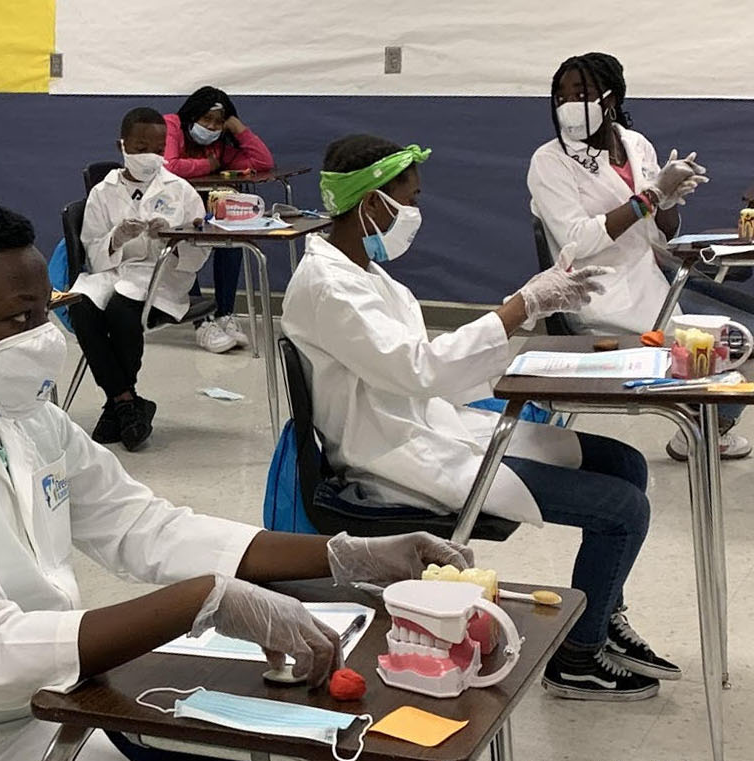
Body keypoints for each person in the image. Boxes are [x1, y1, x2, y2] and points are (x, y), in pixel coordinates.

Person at [0, 195, 469, 761]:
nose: (46, 334)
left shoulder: (19, 414)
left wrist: (347, 556)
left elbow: (146, 526)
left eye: (48, 309)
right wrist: (202, 601)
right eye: (21, 319)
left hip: (59, 709)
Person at [285, 133, 679, 702]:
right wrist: (523, 306)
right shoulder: (329, 287)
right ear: (372, 202)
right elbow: (418, 369)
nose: (416, 212)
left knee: (622, 462)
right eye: (410, 199)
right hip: (394, 455)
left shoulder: (364, 272)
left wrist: (525, 317)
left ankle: (601, 609)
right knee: (623, 509)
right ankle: (576, 658)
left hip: (434, 427)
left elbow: (425, 369)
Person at [527, 52, 748, 461]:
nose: (569, 104)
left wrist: (669, 201)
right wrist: (649, 197)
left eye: (582, 92)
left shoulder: (636, 145)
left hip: (652, 279)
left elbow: (658, 234)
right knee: (733, 342)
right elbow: (578, 239)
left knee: (746, 331)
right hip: (600, 294)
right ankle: (702, 427)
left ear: (611, 98)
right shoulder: (549, 161)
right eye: (561, 96)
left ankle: (709, 426)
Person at [68, 107, 207, 450]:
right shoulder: (103, 191)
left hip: (159, 275)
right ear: (122, 146)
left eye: (159, 149)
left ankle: (119, 404)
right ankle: (126, 401)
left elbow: (200, 251)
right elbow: (91, 248)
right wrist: (116, 238)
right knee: (82, 307)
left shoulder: (181, 190)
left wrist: (174, 240)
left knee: (119, 310)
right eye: (141, 146)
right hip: (113, 270)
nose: (150, 156)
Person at [164, 86, 276, 353]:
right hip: (168, 208)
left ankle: (225, 314)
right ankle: (201, 323)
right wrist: (209, 166)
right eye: (206, 120)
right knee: (185, 247)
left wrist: (238, 128)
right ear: (192, 115)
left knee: (233, 238)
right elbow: (169, 165)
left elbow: (263, 162)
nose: (212, 127)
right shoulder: (172, 125)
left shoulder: (219, 145)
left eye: (218, 122)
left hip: (206, 206)